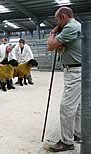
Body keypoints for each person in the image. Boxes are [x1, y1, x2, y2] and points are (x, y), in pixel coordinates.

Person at [47, 6, 81, 152]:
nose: (57, 23)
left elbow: (50, 46)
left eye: (57, 20)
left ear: (63, 17)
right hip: (77, 69)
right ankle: (78, 133)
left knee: (66, 107)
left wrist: (53, 32)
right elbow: (61, 48)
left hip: (76, 71)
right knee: (78, 106)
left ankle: (67, 142)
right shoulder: (75, 26)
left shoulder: (71, 27)